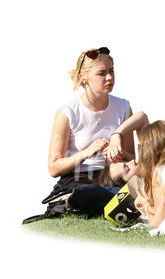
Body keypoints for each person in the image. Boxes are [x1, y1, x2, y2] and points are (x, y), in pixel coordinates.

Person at [47, 47, 134, 185]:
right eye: (102, 73)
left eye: (111, 71)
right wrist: (87, 152)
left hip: (113, 178)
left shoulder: (123, 107)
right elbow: (53, 168)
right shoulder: (67, 112)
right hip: (79, 179)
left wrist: (119, 153)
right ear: (83, 78)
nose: (110, 77)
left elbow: (132, 159)